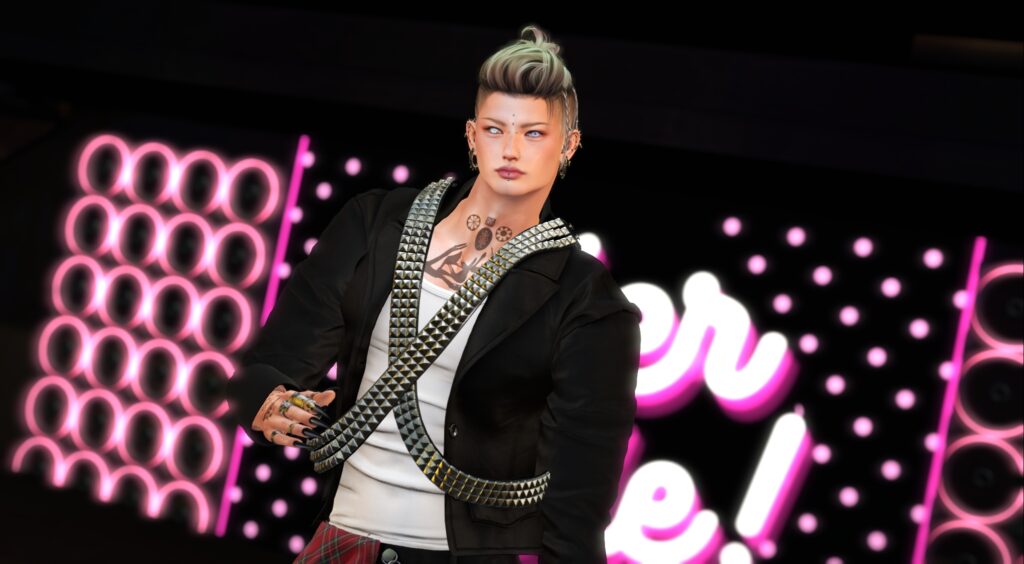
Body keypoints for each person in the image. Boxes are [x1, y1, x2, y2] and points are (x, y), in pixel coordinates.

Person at [225, 23, 641, 563]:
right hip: (345, 537)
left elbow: (579, 495)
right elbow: (269, 365)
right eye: (495, 129)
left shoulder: (587, 301)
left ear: (569, 145)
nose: (511, 149)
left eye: (534, 133)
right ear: (471, 135)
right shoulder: (375, 223)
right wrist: (267, 401)